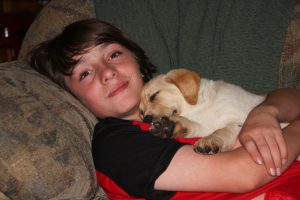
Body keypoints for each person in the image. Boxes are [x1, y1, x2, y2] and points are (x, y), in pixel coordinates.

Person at [29, 19, 300, 200]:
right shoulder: (115, 144)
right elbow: (245, 174)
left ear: (137, 61)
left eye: (112, 55)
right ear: (75, 99)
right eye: (85, 73)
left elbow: (287, 97)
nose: (108, 73)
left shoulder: (179, 95)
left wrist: (266, 113)